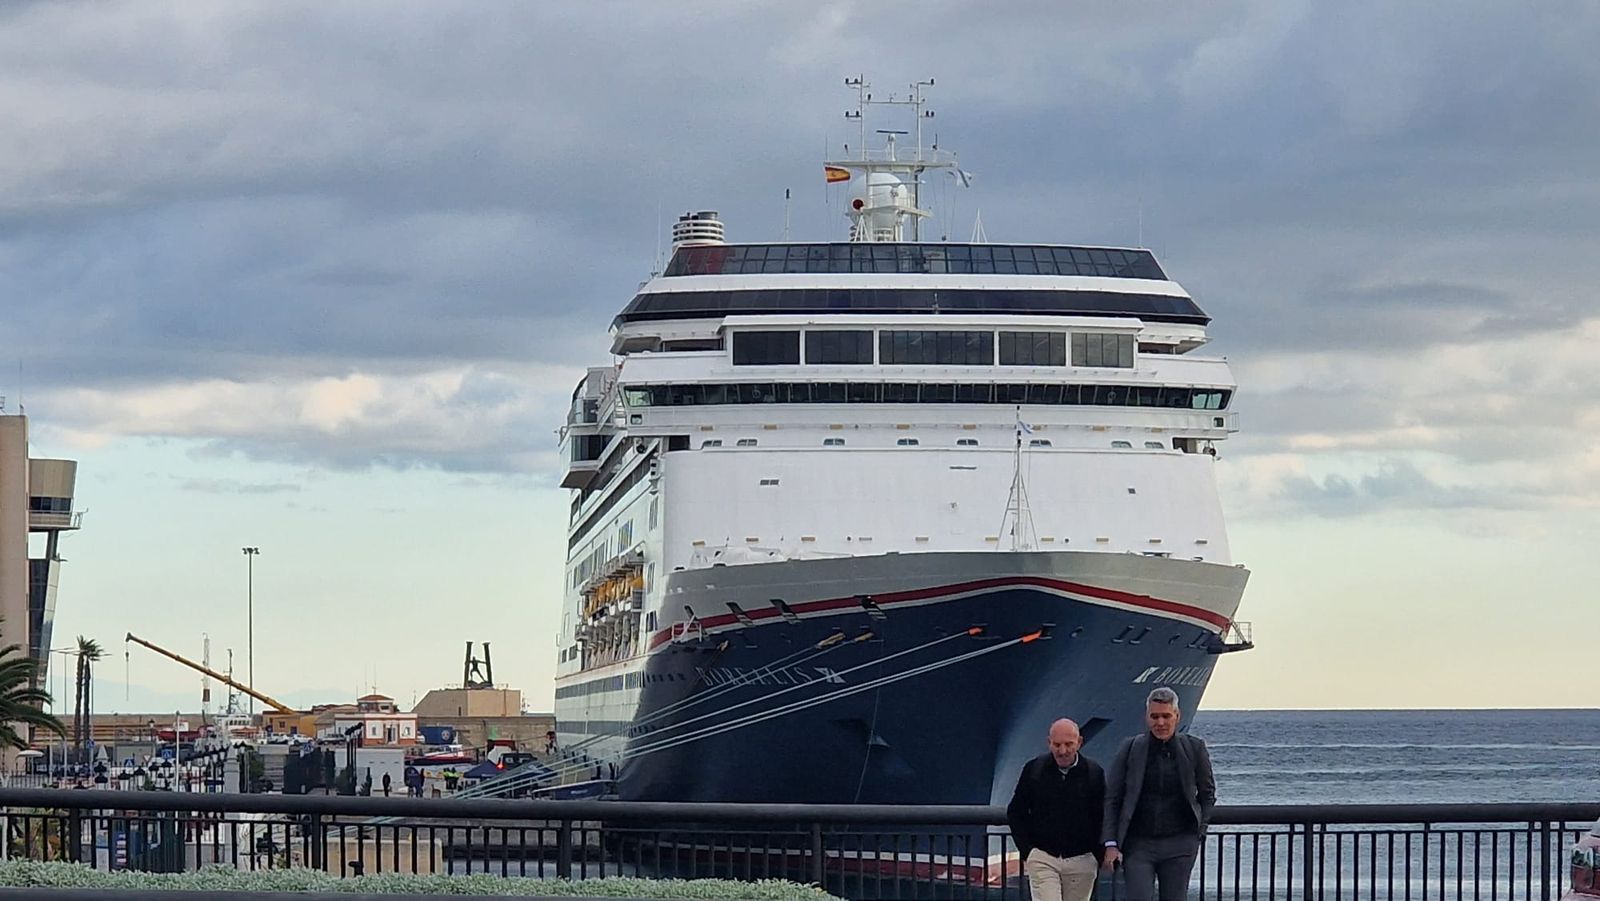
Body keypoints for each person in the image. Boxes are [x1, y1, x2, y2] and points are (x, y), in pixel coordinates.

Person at [1102, 687, 1216, 901]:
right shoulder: (1130, 748)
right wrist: (1110, 842)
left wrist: (1199, 831)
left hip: (1180, 844)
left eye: (1166, 716)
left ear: (1177, 716)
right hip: (1138, 844)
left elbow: (1207, 793)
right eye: (1155, 716)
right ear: (1147, 717)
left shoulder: (1194, 748)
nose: (1160, 723)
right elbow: (1113, 797)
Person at [1006, 718, 1106, 901]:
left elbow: (1102, 814)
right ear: (1049, 743)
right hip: (1044, 857)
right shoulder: (1034, 769)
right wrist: (1029, 851)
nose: (1062, 751)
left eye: (1069, 744)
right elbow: (1016, 811)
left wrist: (1096, 854)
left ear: (1079, 743)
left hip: (1082, 860)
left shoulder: (1094, 773)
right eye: (1057, 744)